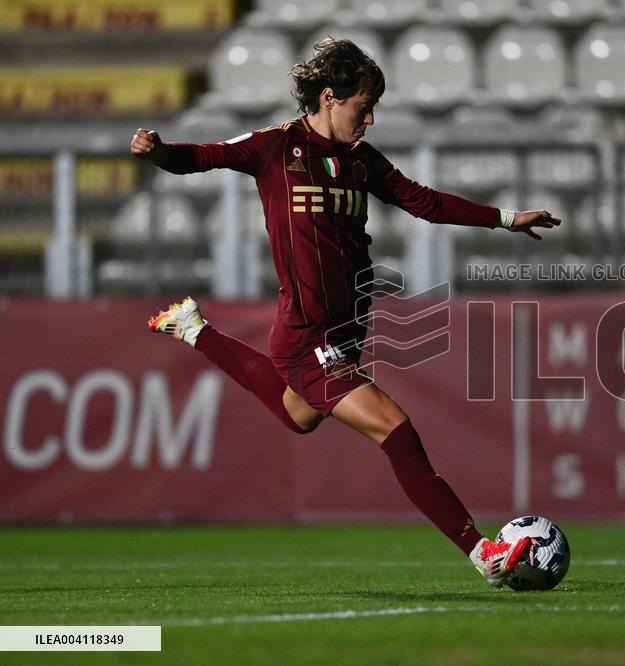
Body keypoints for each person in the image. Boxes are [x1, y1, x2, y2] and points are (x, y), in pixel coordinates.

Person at [131, 38, 560, 588]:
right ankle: (483, 552)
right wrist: (161, 150)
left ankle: (193, 328)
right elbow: (202, 157)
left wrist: (505, 218)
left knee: (299, 415)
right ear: (329, 97)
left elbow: (424, 202)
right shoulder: (273, 147)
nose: (371, 118)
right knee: (396, 429)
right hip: (307, 332)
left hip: (347, 325)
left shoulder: (363, 163)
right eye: (364, 106)